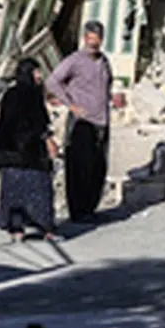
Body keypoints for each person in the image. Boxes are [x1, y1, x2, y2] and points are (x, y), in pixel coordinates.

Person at [45, 20, 112, 224]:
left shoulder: (104, 61)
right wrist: (71, 105)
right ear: (85, 39)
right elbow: (52, 82)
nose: (93, 43)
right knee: (79, 167)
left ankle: (91, 207)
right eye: (90, 39)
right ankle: (78, 210)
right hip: (82, 122)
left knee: (98, 166)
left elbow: (108, 85)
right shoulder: (74, 60)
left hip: (102, 121)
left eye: (97, 39)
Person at [0, 58, 60, 242]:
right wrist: (49, 141)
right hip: (30, 153)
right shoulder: (32, 94)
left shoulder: (10, 94)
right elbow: (39, 121)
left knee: (14, 193)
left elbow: (1, 125)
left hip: (10, 153)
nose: (39, 76)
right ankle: (46, 229)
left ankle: (17, 230)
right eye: (36, 72)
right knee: (40, 190)